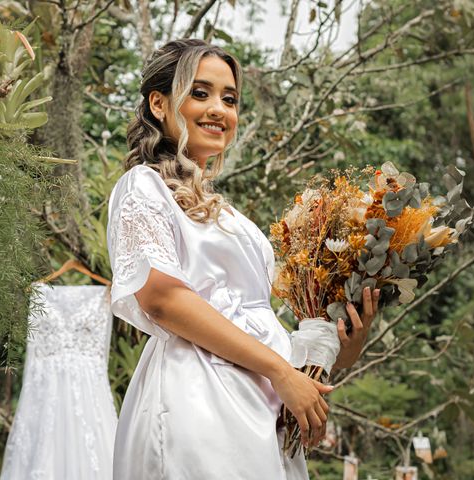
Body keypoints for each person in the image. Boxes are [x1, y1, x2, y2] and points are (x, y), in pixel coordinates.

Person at [106, 39, 379, 480]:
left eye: (229, 99)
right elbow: (162, 299)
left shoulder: (225, 213)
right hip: (196, 398)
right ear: (159, 103)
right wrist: (279, 372)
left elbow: (256, 322)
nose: (219, 109)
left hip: (259, 405)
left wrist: (339, 345)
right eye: (200, 93)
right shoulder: (144, 187)